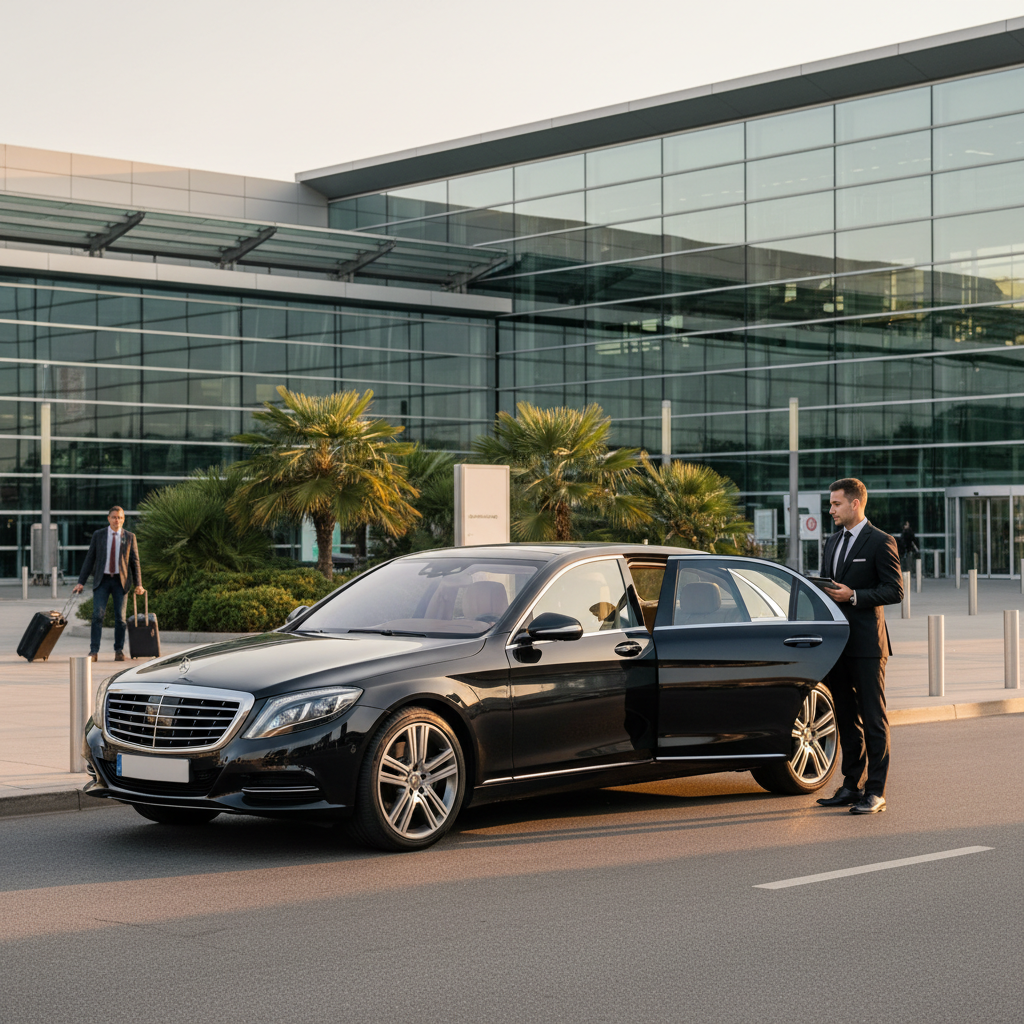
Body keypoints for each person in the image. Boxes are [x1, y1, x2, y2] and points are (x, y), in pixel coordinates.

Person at [817, 478, 903, 814]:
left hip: (868, 645)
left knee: (873, 717)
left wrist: (853, 596)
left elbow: (894, 590)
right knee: (845, 717)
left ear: (855, 503)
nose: (831, 510)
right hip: (838, 645)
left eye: (836, 504)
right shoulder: (832, 541)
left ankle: (876, 791)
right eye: (830, 504)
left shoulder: (881, 541)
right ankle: (851, 785)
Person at [72, 506, 144, 662]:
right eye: (114, 517)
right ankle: (93, 651)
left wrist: (139, 584)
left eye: (120, 517)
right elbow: (89, 559)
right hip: (102, 581)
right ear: (108, 518)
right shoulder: (99, 535)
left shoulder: (130, 537)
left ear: (123, 519)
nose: (116, 520)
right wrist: (80, 582)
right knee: (97, 616)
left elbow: (135, 562)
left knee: (120, 618)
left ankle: (119, 651)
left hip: (121, 582)